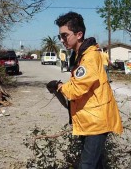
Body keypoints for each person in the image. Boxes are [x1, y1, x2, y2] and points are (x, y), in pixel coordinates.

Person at [46, 11, 123, 169]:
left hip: (97, 122)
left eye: (65, 35)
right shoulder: (80, 55)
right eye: (60, 36)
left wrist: (59, 86)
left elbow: (75, 90)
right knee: (97, 164)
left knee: (87, 165)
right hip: (88, 119)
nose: (61, 40)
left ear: (79, 34)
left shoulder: (90, 57)